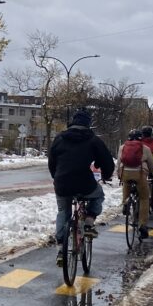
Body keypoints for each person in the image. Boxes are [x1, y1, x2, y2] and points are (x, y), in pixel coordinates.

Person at [48, 107, 115, 267]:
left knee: (63, 212)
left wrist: (56, 177)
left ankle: (61, 248)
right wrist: (106, 175)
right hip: (85, 184)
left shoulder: (59, 138)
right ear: (88, 124)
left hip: (62, 184)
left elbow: (51, 161)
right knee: (98, 195)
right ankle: (89, 222)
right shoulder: (93, 140)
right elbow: (107, 161)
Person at [118, 129, 153, 238]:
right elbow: (152, 165)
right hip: (139, 174)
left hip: (125, 173)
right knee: (144, 198)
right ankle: (142, 225)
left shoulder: (122, 147)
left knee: (126, 184)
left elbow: (119, 163)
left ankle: (125, 203)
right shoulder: (145, 148)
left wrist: (119, 175)